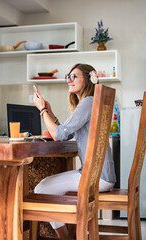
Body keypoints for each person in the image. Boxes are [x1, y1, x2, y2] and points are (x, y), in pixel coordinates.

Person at [33, 63, 116, 239]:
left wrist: (42, 110)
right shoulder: (92, 101)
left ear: (87, 79)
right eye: (68, 77)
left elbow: (59, 135)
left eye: (74, 76)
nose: (69, 80)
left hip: (95, 177)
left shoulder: (87, 102)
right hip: (102, 175)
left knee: (41, 189)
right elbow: (66, 130)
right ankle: (69, 233)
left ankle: (65, 237)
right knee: (48, 187)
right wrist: (50, 112)